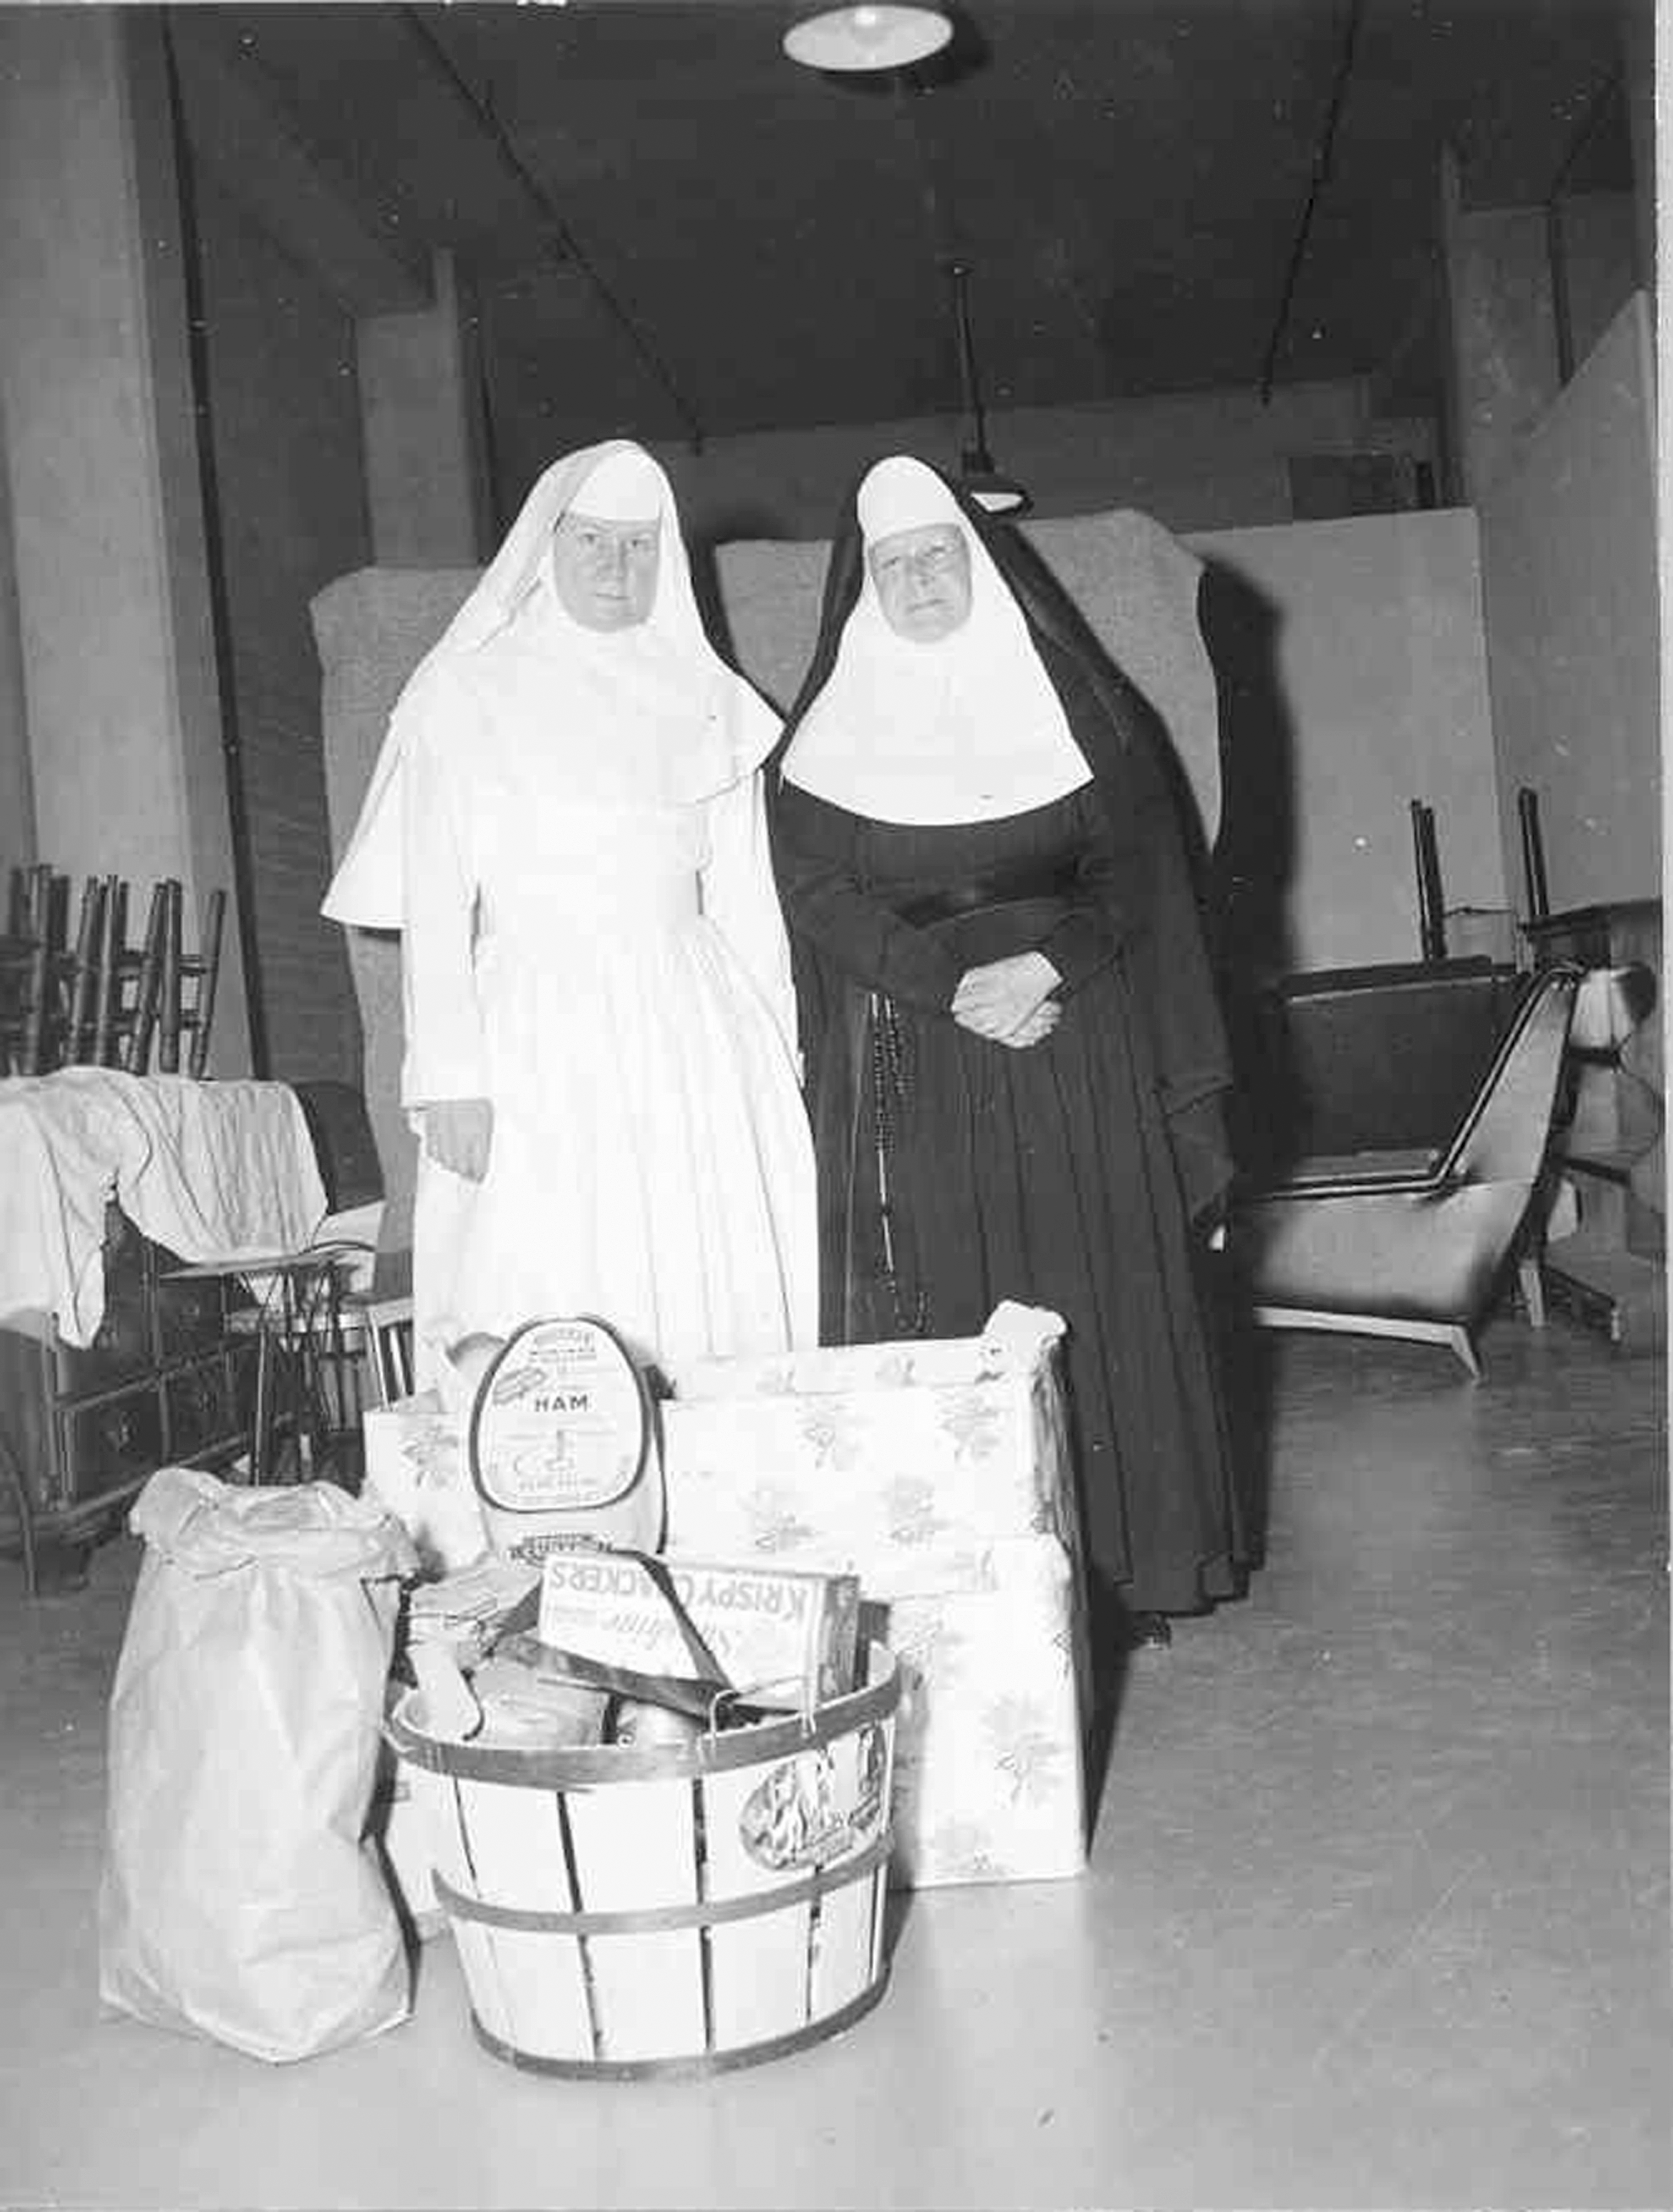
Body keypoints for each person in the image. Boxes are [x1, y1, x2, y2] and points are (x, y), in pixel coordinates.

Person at [770, 455, 1245, 1641]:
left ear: (979, 566)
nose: (921, 579)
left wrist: (1044, 965)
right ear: (864, 585)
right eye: (895, 564)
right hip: (917, 1055)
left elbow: (1137, 865)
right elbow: (815, 890)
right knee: (950, 1288)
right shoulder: (823, 737)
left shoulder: (1072, 702)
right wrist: (946, 984)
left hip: (1071, 1034)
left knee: (1093, 1282)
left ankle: (1124, 1569)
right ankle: (963, 1575)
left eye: (940, 555)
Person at [323, 440, 816, 1379]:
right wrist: (449, 1078)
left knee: (695, 1253)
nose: (614, 567)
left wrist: (775, 1051)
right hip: (532, 1024)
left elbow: (748, 898)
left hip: (690, 1022)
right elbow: (435, 901)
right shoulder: (467, 693)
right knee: (540, 1261)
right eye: (591, 540)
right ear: (547, 543)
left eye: (637, 546)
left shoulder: (711, 698)